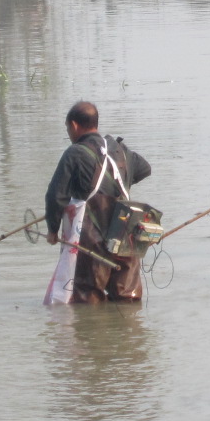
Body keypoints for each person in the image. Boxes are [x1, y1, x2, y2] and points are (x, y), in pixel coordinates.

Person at [44, 102, 152, 304]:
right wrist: (121, 184)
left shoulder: (75, 153)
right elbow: (145, 168)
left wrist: (52, 230)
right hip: (125, 236)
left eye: (68, 128)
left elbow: (55, 196)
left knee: (87, 298)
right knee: (127, 297)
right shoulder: (120, 150)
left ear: (74, 126)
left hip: (92, 242)